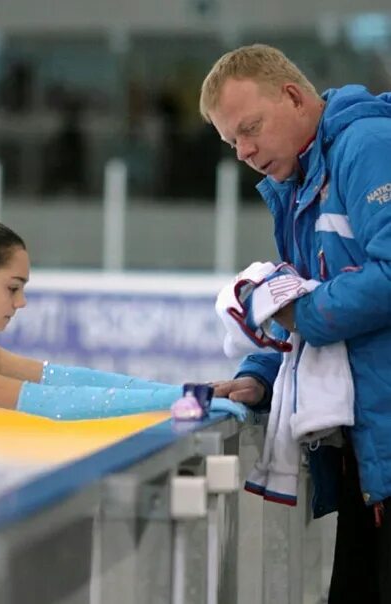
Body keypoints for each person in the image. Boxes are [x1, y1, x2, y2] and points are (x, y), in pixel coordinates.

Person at [0, 214, 244, 554]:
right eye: (13, 287)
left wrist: (181, 393)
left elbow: (64, 378)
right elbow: (51, 402)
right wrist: (179, 398)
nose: (22, 301)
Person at [199, 44, 391, 603]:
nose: (245, 151)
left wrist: (296, 311)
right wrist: (261, 371)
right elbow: (304, 291)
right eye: (232, 141)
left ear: (292, 95)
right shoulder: (301, 182)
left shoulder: (367, 145)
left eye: (250, 128)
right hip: (370, 449)